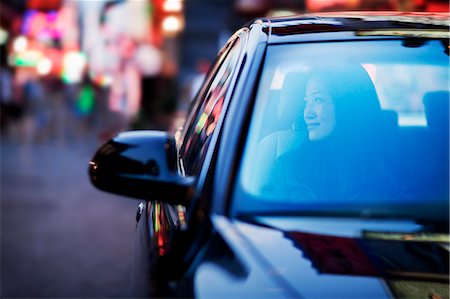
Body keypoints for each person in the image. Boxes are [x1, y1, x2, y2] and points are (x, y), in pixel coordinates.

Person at [268, 63, 395, 202]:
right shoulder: (289, 169)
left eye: (318, 100)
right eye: (306, 102)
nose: (307, 114)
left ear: (346, 105)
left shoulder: (388, 170)